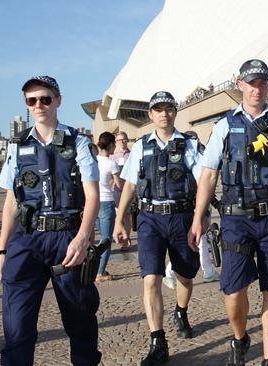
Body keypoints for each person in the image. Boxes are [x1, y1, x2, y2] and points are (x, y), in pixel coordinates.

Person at [188, 59, 268, 366]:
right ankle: (240, 336)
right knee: (233, 292)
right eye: (252, 83)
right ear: (240, 85)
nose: (257, 89)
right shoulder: (224, 125)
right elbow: (208, 175)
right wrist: (198, 216)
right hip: (236, 218)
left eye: (263, 83)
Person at [0, 76, 101, 365]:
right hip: (27, 239)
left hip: (67, 236)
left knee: (80, 319)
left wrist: (82, 238)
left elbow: (92, 196)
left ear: (58, 100)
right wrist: (2, 249)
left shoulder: (78, 141)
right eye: (31, 100)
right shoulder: (16, 146)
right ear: (26, 105)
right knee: (17, 325)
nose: (39, 105)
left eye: (45, 98)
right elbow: (10, 203)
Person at [113, 91, 202, 365]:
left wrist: (202, 214)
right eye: (158, 109)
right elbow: (129, 184)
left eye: (169, 109)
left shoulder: (189, 145)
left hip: (182, 217)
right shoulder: (140, 147)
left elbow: (204, 182)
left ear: (175, 112)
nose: (164, 114)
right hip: (150, 217)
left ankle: (181, 311)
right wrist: (119, 219)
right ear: (150, 115)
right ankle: (157, 340)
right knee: (150, 278)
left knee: (185, 276)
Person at [163, 130, 219, 290]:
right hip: (191, 206)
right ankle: (171, 272)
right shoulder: (193, 155)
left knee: (199, 241)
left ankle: (208, 271)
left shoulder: (187, 155)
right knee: (194, 242)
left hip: (193, 205)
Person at [95, 132, 124, 282]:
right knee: (106, 240)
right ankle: (99, 273)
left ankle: (97, 268)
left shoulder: (93, 161)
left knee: (100, 238)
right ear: (111, 145)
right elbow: (119, 185)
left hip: (94, 203)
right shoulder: (111, 163)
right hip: (107, 202)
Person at [110, 131, 132, 246]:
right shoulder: (112, 156)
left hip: (128, 188)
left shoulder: (132, 154)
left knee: (127, 215)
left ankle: (126, 239)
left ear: (127, 140)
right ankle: (121, 234)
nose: (122, 142)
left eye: (124, 139)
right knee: (119, 213)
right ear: (116, 142)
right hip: (116, 189)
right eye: (119, 140)